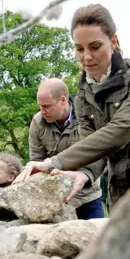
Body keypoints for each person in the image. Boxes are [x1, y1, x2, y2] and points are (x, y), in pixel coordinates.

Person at [14, 4, 130, 211]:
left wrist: (54, 162)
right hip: (121, 193)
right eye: (79, 48)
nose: (86, 57)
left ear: (113, 42)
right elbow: (92, 146)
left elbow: (120, 131)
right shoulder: (83, 96)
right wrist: (85, 173)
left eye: (95, 47)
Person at [25, 78, 105, 219]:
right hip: (56, 203)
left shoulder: (88, 118)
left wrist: (85, 175)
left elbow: (101, 153)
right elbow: (37, 160)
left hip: (88, 198)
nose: (42, 111)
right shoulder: (37, 123)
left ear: (63, 100)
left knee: (99, 240)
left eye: (46, 106)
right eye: (40, 106)